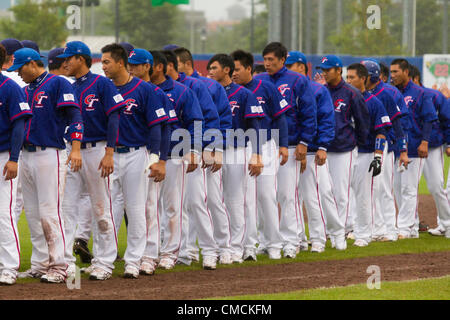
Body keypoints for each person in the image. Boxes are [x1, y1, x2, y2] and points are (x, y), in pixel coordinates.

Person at [9, 48, 83, 283]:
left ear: (32, 64)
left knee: (50, 212)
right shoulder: (24, 90)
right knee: (32, 214)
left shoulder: (58, 83)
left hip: (50, 153)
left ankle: (60, 266)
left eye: (20, 68)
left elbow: (75, 116)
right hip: (26, 155)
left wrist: (76, 147)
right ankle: (41, 264)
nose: (18, 73)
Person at [58, 41, 126, 280]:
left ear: (81, 58)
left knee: (101, 207)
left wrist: (110, 153)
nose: (64, 62)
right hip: (72, 150)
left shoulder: (103, 84)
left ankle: (104, 262)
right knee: (66, 208)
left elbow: (115, 118)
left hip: (97, 150)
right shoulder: (68, 86)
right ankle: (64, 262)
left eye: (69, 58)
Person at [101, 43, 168, 278]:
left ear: (121, 63)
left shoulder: (145, 90)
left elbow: (157, 127)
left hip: (136, 153)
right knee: (107, 211)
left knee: (137, 209)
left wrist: (158, 159)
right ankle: (104, 261)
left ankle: (134, 260)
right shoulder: (104, 88)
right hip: (108, 154)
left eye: (107, 61)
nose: (103, 66)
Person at [253, 42, 317, 258]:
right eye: (265, 59)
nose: (267, 63)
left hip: (289, 144)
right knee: (264, 196)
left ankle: (292, 240)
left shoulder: (298, 80)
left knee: (288, 195)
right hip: (265, 145)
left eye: (272, 59)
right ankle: (266, 239)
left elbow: (308, 113)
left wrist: (304, 142)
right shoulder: (259, 80)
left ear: (283, 60)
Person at [172, 47, 234, 264]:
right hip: (179, 151)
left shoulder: (206, 85)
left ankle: (222, 247)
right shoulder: (166, 87)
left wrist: (215, 148)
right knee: (183, 203)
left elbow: (219, 119)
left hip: (205, 151)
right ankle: (186, 251)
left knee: (211, 201)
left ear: (184, 63)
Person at [163, 49, 221, 268]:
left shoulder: (195, 86)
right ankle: (181, 250)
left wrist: (208, 148)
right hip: (166, 154)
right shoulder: (154, 88)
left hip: (190, 152)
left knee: (196, 201)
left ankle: (209, 250)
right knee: (170, 206)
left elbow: (209, 118)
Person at [230, 49, 289, 259]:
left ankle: (273, 244)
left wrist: (283, 144)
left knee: (266, 196)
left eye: (237, 69)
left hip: (264, 145)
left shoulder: (266, 87)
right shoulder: (230, 91)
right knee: (245, 200)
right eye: (232, 69)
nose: (234, 73)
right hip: (240, 149)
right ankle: (249, 246)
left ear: (248, 68)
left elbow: (281, 117)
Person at [286, 51, 346, 252]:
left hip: (312, 151)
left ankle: (331, 235)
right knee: (292, 197)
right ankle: (300, 239)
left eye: (290, 65)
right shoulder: (286, 90)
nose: (286, 69)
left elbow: (327, 120)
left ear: (301, 67)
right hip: (293, 150)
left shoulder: (317, 90)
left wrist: (322, 146)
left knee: (321, 196)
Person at [207, 53, 265, 262]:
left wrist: (256, 154)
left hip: (236, 149)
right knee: (213, 200)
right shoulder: (208, 92)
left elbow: (255, 127)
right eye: (209, 68)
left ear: (226, 69)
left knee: (235, 200)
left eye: (214, 68)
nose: (210, 72)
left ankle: (237, 248)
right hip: (213, 150)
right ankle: (219, 246)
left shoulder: (243, 94)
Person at [151, 50, 204, 269]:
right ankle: (151, 251)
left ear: (158, 67)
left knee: (173, 206)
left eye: (143, 64)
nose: (134, 68)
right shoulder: (141, 90)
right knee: (149, 208)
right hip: (146, 155)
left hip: (174, 154)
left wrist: (193, 150)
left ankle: (171, 252)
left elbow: (196, 121)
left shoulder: (182, 91)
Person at [127, 48, 177, 274]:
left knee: (149, 206)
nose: (131, 68)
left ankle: (149, 256)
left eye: (135, 65)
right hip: (123, 155)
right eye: (129, 64)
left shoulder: (155, 92)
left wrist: (161, 159)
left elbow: (166, 129)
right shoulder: (124, 89)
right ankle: (130, 256)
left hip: (146, 153)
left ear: (147, 66)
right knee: (123, 209)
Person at [316, 55, 370, 237]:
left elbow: (363, 123)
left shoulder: (352, 93)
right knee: (324, 192)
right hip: (323, 148)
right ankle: (329, 229)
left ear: (339, 70)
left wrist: (356, 143)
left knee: (341, 192)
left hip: (343, 149)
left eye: (328, 69)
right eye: (322, 69)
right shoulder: (321, 91)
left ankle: (344, 229)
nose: (324, 73)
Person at [361, 59, 410, 242]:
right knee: (368, 189)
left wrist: (402, 150)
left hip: (385, 146)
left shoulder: (387, 93)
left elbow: (398, 124)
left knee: (383, 189)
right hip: (365, 146)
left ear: (371, 76)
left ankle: (390, 229)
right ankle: (374, 227)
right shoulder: (360, 93)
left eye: (362, 74)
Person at [390, 58, 438, 239]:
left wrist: (425, 142)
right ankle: (412, 226)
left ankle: (403, 227)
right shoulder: (392, 92)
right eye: (391, 72)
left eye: (396, 72)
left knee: (409, 189)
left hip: (415, 147)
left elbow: (429, 118)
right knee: (398, 187)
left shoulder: (420, 93)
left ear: (406, 72)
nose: (392, 75)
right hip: (397, 148)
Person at [346, 63, 392, 247]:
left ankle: (366, 233)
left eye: (352, 77)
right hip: (349, 152)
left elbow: (382, 132)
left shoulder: (374, 102)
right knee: (351, 194)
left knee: (366, 194)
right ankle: (356, 229)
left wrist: (378, 157)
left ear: (363, 79)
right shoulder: (346, 100)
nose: (348, 80)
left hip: (367, 152)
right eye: (347, 77)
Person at [0, 44, 32, 285]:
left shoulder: (10, 88)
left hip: (3, 157)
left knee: (4, 214)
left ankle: (9, 267)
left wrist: (13, 158)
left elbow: (20, 125)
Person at [409, 65, 450, 238]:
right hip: (410, 149)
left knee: (435, 187)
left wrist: (449, 142)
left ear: (415, 78)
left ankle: (446, 224)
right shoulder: (401, 95)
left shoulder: (434, 95)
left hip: (432, 147)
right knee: (409, 188)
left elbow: (447, 119)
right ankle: (411, 226)